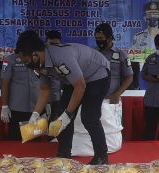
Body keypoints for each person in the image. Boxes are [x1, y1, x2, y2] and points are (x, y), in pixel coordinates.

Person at [16, 31, 111, 164]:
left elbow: (80, 86)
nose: (26, 65)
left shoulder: (60, 56)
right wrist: (35, 115)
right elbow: (45, 89)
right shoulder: (39, 64)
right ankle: (64, 155)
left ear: (35, 55)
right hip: (75, 80)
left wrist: (68, 114)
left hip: (97, 75)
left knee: (89, 117)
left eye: (26, 61)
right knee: (60, 116)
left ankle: (102, 157)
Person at [0, 48, 41, 140]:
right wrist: (4, 106)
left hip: (36, 107)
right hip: (18, 108)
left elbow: (44, 82)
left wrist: (47, 102)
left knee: (36, 142)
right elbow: (5, 82)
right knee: (16, 141)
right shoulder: (10, 60)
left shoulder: (38, 58)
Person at [95, 23, 133, 104]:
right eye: (97, 38)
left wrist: (117, 94)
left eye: (101, 38)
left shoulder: (121, 55)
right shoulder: (92, 53)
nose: (99, 41)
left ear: (110, 38)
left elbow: (129, 77)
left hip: (111, 100)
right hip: (93, 99)